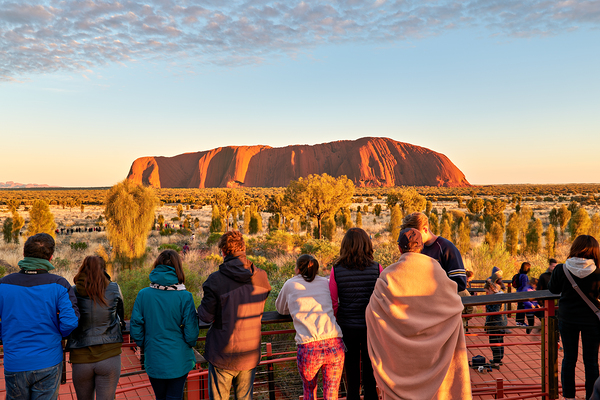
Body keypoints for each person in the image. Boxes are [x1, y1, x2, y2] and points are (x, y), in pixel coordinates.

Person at [366, 228, 471, 400]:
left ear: (399, 248)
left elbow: (372, 314)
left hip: (400, 363)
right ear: (422, 246)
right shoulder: (437, 271)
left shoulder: (388, 276)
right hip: (434, 357)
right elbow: (454, 304)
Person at [0, 233, 80, 400]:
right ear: (51, 257)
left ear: (24, 255)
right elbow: (71, 321)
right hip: (48, 360)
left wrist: (4, 334)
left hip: (15, 362)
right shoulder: (59, 284)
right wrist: (59, 333)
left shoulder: (4, 284)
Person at [198, 230, 271, 400]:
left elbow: (206, 316)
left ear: (223, 252)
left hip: (223, 353)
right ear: (243, 249)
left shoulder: (215, 280)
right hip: (250, 352)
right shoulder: (261, 277)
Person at [130, 250, 200, 400]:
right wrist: (189, 343)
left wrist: (145, 343)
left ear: (156, 266)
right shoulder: (185, 296)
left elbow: (135, 325)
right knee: (176, 396)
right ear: (178, 268)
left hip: (154, 356)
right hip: (179, 358)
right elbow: (191, 332)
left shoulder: (143, 294)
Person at [276, 255, 345, 400]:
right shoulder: (326, 282)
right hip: (334, 344)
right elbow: (335, 302)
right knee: (331, 395)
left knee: (309, 391)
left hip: (309, 347)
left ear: (298, 268)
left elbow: (281, 309)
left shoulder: (290, 284)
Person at [329, 227, 380, 400]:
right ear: (367, 244)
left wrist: (337, 322)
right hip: (370, 327)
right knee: (369, 369)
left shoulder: (336, 270)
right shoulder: (377, 268)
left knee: (351, 371)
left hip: (347, 327)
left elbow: (334, 302)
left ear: (345, 245)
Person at [549, 235, 600, 400]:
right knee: (591, 361)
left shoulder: (560, 269)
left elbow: (552, 289)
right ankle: (592, 396)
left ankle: (568, 397)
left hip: (567, 319)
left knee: (569, 359)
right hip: (592, 321)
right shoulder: (598, 272)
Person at [67, 256, 125, 400]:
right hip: (109, 354)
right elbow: (121, 315)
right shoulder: (114, 288)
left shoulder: (73, 291)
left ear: (82, 268)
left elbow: (69, 319)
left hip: (81, 357)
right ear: (104, 269)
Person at [400, 212, 467, 292]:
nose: (413, 239)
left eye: (416, 234)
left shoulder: (446, 247)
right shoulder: (414, 249)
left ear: (425, 229)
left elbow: (460, 283)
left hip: (444, 300)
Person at [484, 280, 507, 366]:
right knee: (499, 341)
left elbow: (494, 311)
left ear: (490, 289)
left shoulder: (495, 298)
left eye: (487, 292)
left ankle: (496, 361)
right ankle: (498, 359)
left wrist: (487, 305)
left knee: (494, 342)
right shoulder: (500, 296)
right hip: (500, 323)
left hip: (495, 324)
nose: (486, 294)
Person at [512, 262, 531, 326]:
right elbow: (524, 285)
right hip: (523, 294)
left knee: (519, 307)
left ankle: (518, 321)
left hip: (519, 292)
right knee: (522, 307)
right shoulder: (524, 276)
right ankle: (521, 322)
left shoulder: (520, 274)